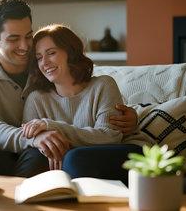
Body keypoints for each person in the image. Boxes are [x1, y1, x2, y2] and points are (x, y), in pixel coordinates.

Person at [0, 0, 138, 178]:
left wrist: (132, 115)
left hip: (37, 153)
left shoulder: (46, 71)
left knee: (42, 153)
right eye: (14, 39)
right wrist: (34, 138)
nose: (24, 46)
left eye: (28, 36)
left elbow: (86, 93)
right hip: (9, 151)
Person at [21, 24, 144, 182]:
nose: (44, 62)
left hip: (122, 156)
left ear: (70, 53)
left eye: (51, 53)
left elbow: (109, 137)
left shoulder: (103, 85)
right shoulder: (36, 99)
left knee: (74, 157)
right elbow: (27, 139)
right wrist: (45, 138)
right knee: (35, 159)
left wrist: (52, 126)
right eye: (39, 58)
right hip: (77, 163)